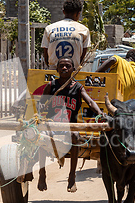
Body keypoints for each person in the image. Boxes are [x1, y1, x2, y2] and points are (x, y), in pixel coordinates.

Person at [37, 57, 102, 193]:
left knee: (75, 135)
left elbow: (90, 102)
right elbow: (40, 104)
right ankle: (42, 174)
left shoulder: (78, 87)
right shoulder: (51, 86)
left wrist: (100, 113)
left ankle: (72, 176)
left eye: (68, 66)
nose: (64, 68)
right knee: (42, 136)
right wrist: (42, 105)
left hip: (70, 127)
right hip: (52, 126)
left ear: (73, 69)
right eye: (61, 66)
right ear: (57, 69)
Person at [41, 0, 90, 70]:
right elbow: (83, 56)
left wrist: (51, 68)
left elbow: (45, 53)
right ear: (78, 13)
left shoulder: (49, 28)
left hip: (54, 73)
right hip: (73, 74)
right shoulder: (84, 30)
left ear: (63, 12)